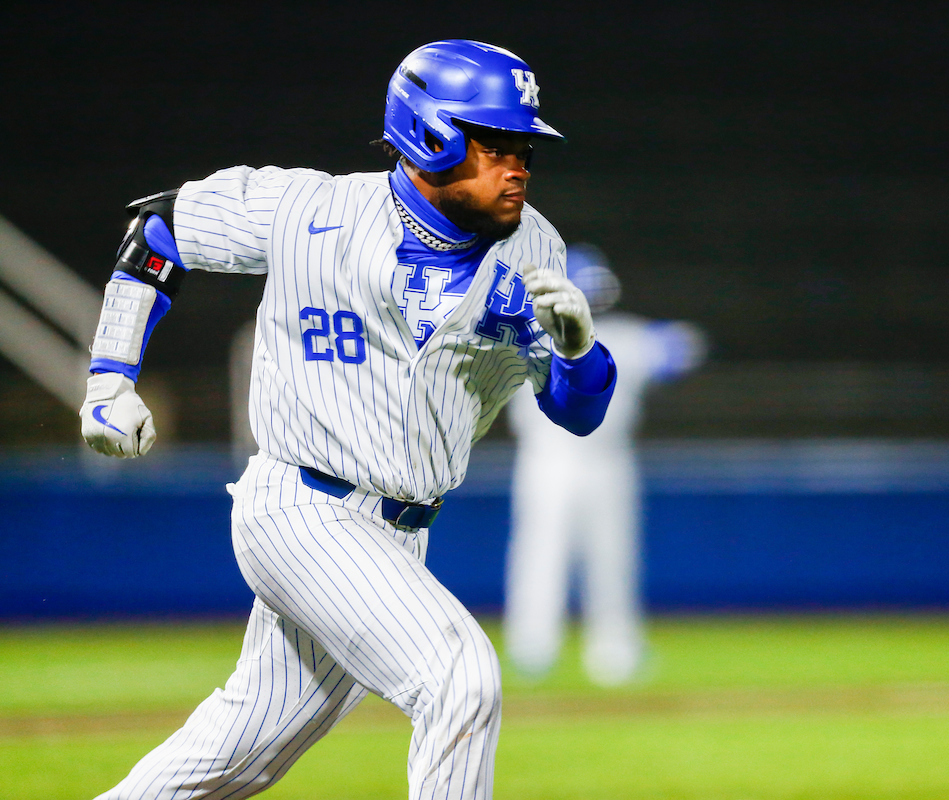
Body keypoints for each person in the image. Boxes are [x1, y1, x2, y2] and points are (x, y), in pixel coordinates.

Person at [78, 40, 615, 800]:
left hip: (400, 536)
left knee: (238, 756)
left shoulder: (536, 248)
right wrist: (109, 375)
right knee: (459, 676)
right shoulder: (309, 208)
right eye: (495, 142)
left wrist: (579, 353)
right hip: (301, 506)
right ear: (432, 132)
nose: (519, 162)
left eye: (525, 144)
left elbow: (579, 413)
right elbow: (159, 232)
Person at [504, 244, 705, 686]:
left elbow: (686, 347)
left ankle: (614, 652)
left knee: (612, 557)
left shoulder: (624, 335)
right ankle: (532, 647)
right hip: (548, 458)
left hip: (608, 459)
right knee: (541, 553)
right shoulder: (528, 334)